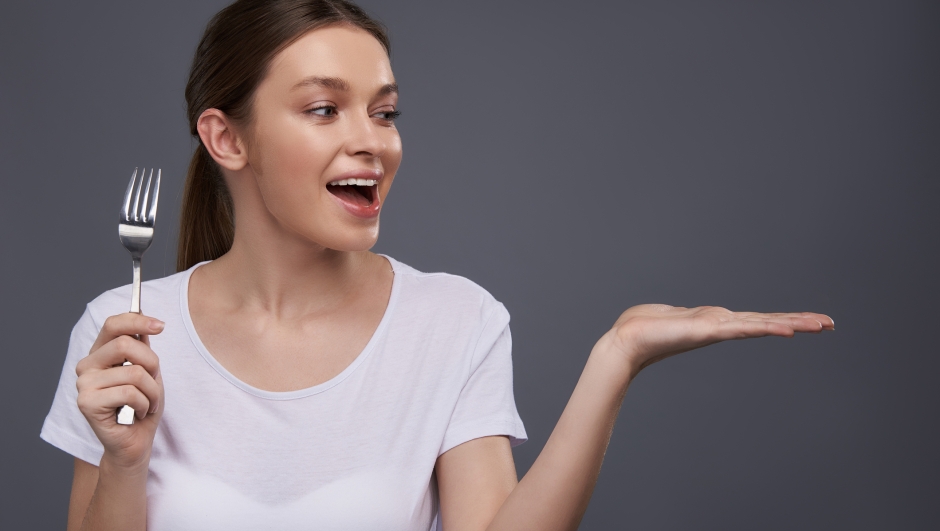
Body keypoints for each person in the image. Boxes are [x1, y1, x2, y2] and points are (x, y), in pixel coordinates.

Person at [40, 1, 834, 530]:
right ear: (227, 139)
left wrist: (614, 359)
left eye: (384, 111)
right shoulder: (123, 331)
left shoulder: (454, 321)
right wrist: (125, 460)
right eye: (325, 108)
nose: (373, 140)